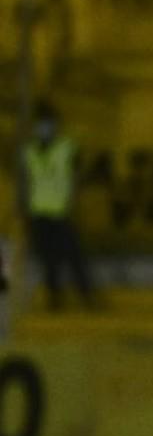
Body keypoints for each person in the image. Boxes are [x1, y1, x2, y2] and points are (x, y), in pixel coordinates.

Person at [21, 100, 96, 310]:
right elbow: (27, 182)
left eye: (47, 123)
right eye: (40, 124)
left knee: (74, 256)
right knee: (48, 258)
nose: (44, 128)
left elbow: (78, 175)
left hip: (61, 212)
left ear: (55, 125)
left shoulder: (66, 148)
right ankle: (55, 299)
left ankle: (86, 296)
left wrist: (74, 200)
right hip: (38, 213)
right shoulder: (29, 152)